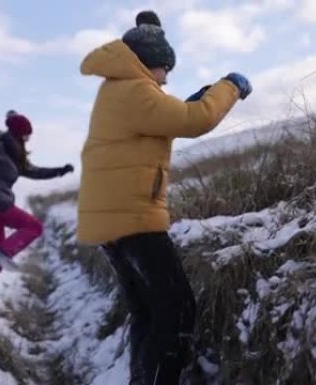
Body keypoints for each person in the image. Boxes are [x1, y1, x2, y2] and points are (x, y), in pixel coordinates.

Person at [77, 10, 252, 385]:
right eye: (164, 70)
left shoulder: (120, 89)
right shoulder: (135, 90)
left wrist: (193, 100)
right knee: (177, 313)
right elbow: (196, 120)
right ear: (149, 63)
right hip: (134, 220)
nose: (166, 78)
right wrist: (230, 85)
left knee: (147, 314)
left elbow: (166, 120)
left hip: (112, 222)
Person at [0, 110, 74, 314]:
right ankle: (4, 251)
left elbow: (35, 172)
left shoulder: (15, 156)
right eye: (27, 134)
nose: (29, 138)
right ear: (20, 133)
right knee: (34, 226)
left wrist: (59, 170)